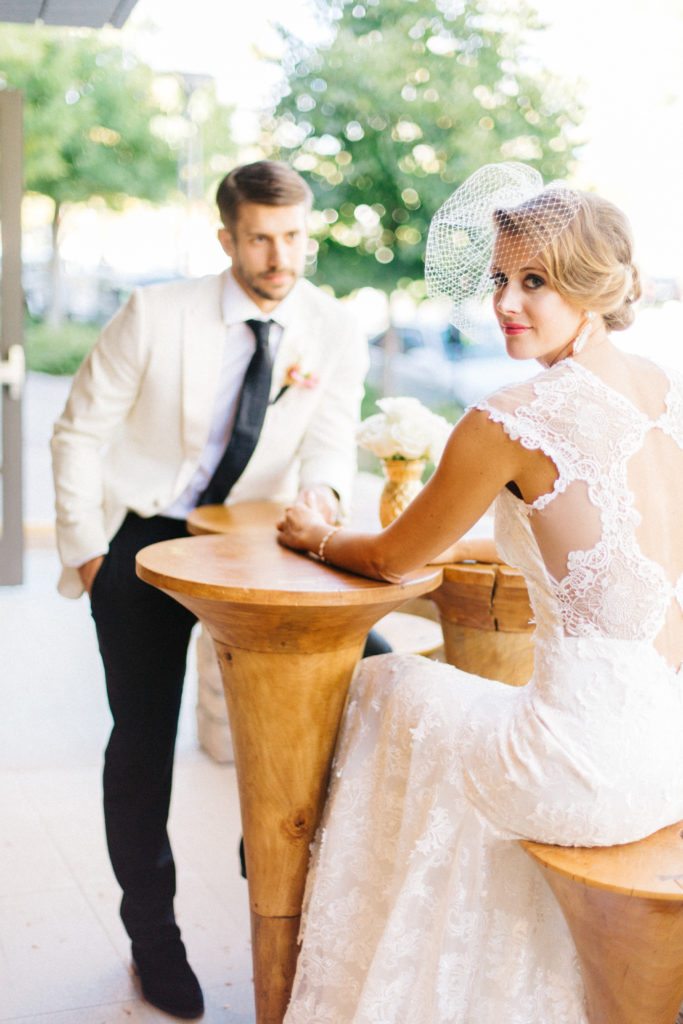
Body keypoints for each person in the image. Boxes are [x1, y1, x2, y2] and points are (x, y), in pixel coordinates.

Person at [276, 163, 683, 1023]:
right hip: (668, 757)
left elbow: (390, 560)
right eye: (499, 278)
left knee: (387, 684)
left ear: (592, 286)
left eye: (534, 281)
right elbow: (603, 543)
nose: (504, 302)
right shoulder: (656, 385)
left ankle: (397, 988)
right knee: (464, 706)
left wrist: (313, 532)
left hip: (584, 770)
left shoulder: (509, 418)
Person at [51, 159, 385, 1020]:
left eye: (296, 236)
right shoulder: (154, 314)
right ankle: (152, 939)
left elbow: (329, 440)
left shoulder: (332, 327)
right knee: (141, 739)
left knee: (373, 681)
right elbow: (77, 432)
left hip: (256, 539)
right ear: (227, 237)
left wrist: (323, 501)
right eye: (263, 238)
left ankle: (269, 862)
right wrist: (92, 558)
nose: (282, 257)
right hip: (148, 535)